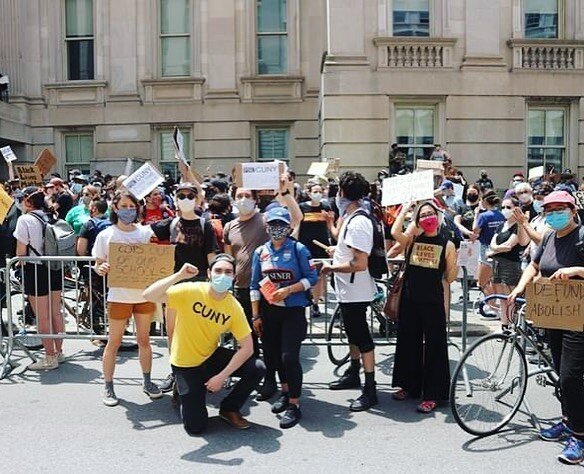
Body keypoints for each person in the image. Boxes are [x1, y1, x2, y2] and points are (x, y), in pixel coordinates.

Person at [142, 254, 265, 435]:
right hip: (185, 364)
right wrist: (179, 276)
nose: (223, 275)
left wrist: (222, 376)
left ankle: (229, 409)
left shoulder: (233, 306)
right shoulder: (190, 290)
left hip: (210, 356)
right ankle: (182, 388)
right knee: (196, 427)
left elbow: (248, 348)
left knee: (257, 367)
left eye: (228, 272)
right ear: (209, 273)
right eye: (218, 271)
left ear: (234, 278)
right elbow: (148, 294)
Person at [509, 191, 584, 465]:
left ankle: (579, 435)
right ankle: (567, 421)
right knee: (559, 372)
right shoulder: (551, 237)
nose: (553, 213)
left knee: (570, 377)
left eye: (559, 208)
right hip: (555, 316)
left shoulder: (582, 236)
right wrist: (518, 288)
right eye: (549, 209)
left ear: (572, 210)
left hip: (579, 320)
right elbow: (535, 265)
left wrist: (576, 270)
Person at [223, 174, 303, 401]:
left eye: (248, 195)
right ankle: (251, 378)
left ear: (256, 199)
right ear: (233, 199)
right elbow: (229, 258)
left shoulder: (266, 219)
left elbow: (297, 218)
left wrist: (285, 191)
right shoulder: (230, 226)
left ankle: (271, 380)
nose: (243, 199)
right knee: (245, 338)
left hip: (267, 292)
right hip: (241, 290)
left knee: (269, 340)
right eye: (240, 196)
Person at [250, 207, 318, 428]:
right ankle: (285, 391)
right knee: (274, 356)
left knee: (289, 356)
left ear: (289, 227)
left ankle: (295, 404)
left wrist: (289, 290)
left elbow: (312, 278)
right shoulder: (260, 252)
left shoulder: (298, 249)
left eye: (281, 225)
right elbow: (254, 285)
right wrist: (256, 315)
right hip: (269, 312)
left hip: (293, 310)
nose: (276, 229)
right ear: (266, 226)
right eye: (272, 224)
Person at [92, 191, 162, 407]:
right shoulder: (106, 235)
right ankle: (109, 385)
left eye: (132, 207)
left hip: (143, 295)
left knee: (144, 341)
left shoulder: (145, 232)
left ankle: (148, 381)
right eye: (124, 206)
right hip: (119, 296)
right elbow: (97, 264)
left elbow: (155, 258)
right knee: (113, 342)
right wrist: (101, 268)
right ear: (115, 208)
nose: (128, 210)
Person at [151, 183, 219, 394]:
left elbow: (211, 257)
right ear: (175, 198)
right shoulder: (170, 224)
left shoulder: (205, 225)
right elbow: (141, 234)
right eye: (182, 195)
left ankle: (203, 373)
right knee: (173, 334)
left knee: (201, 333)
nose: (186, 198)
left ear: (198, 199)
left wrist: (216, 283)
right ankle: (175, 372)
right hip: (175, 288)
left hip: (199, 286)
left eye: (191, 195)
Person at [391, 201, 458, 413]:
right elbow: (394, 232)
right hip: (410, 300)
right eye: (422, 215)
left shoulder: (447, 244)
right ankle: (408, 386)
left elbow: (450, 276)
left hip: (433, 303)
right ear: (417, 220)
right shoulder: (412, 240)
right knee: (407, 342)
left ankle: (433, 394)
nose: (427, 218)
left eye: (430, 214)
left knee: (435, 347)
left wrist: (457, 261)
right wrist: (405, 210)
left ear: (438, 217)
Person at [320, 171, 378, 411]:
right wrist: (338, 252)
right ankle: (354, 372)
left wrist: (330, 267)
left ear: (342, 193)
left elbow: (360, 263)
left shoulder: (359, 222)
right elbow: (350, 252)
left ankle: (370, 388)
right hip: (348, 289)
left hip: (356, 290)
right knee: (353, 334)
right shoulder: (351, 217)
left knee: (362, 338)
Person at [13, 186, 64, 370]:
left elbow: (21, 251)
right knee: (56, 313)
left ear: (27, 200)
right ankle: (58, 352)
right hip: (55, 267)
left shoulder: (25, 219)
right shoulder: (52, 216)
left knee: (42, 316)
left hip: (36, 269)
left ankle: (49, 358)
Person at [486, 197, 525, 327]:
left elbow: (509, 245)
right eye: (503, 207)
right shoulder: (501, 225)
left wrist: (493, 251)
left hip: (511, 264)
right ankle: (504, 325)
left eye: (508, 207)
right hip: (497, 264)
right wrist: (496, 250)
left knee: (510, 298)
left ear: (516, 208)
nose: (505, 210)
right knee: (501, 297)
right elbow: (493, 243)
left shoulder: (517, 226)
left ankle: (512, 325)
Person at [297, 182, 332, 318]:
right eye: (314, 191)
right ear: (309, 193)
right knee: (306, 274)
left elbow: (330, 226)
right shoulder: (302, 207)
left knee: (318, 276)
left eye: (319, 191)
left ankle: (315, 303)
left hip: (321, 246)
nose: (317, 194)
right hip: (305, 246)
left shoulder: (326, 207)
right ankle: (307, 298)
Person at [473, 190, 505, 318]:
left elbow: (475, 231)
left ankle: (492, 307)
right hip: (498, 250)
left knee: (481, 281)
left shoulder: (483, 216)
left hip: (486, 249)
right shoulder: (501, 215)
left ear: (485, 201)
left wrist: (476, 215)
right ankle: (493, 306)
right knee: (493, 280)